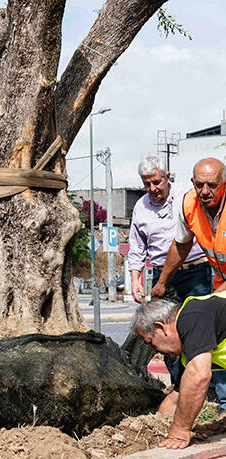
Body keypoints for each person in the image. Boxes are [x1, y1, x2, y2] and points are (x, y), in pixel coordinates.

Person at [132, 294, 226, 449]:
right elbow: (178, 395)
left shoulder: (192, 316)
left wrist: (180, 430)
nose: (155, 351)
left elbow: (199, 377)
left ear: (161, 327)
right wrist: (157, 426)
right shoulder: (189, 342)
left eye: (151, 343)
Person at [129, 155, 211, 303]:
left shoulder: (188, 194)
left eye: (156, 182)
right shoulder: (140, 207)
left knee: (196, 322)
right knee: (161, 323)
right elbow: (136, 248)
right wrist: (135, 281)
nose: (152, 189)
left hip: (195, 273)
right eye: (147, 184)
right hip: (160, 277)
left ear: (167, 177)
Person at [152, 158, 226, 298]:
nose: (204, 191)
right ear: (192, 182)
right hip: (220, 285)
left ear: (224, 184)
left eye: (212, 185)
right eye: (199, 185)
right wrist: (161, 283)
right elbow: (181, 245)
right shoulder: (189, 204)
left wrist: (213, 300)